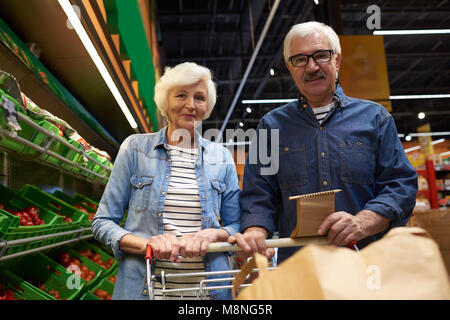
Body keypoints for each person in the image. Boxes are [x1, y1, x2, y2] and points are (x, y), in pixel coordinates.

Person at [232, 21, 418, 264]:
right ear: (290, 67)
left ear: (337, 61)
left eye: (321, 55)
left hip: (368, 265)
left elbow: (400, 185)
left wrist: (363, 221)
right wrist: (256, 230)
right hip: (301, 269)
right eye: (300, 59)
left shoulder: (375, 119)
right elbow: (259, 194)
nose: (311, 67)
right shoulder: (271, 126)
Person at [92, 62, 241, 300]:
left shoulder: (221, 157)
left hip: (209, 290)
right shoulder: (135, 148)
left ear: (207, 106)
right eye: (181, 95)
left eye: (199, 98)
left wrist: (212, 235)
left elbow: (236, 224)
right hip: (146, 290)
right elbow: (102, 223)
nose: (191, 105)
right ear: (165, 102)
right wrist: (147, 244)